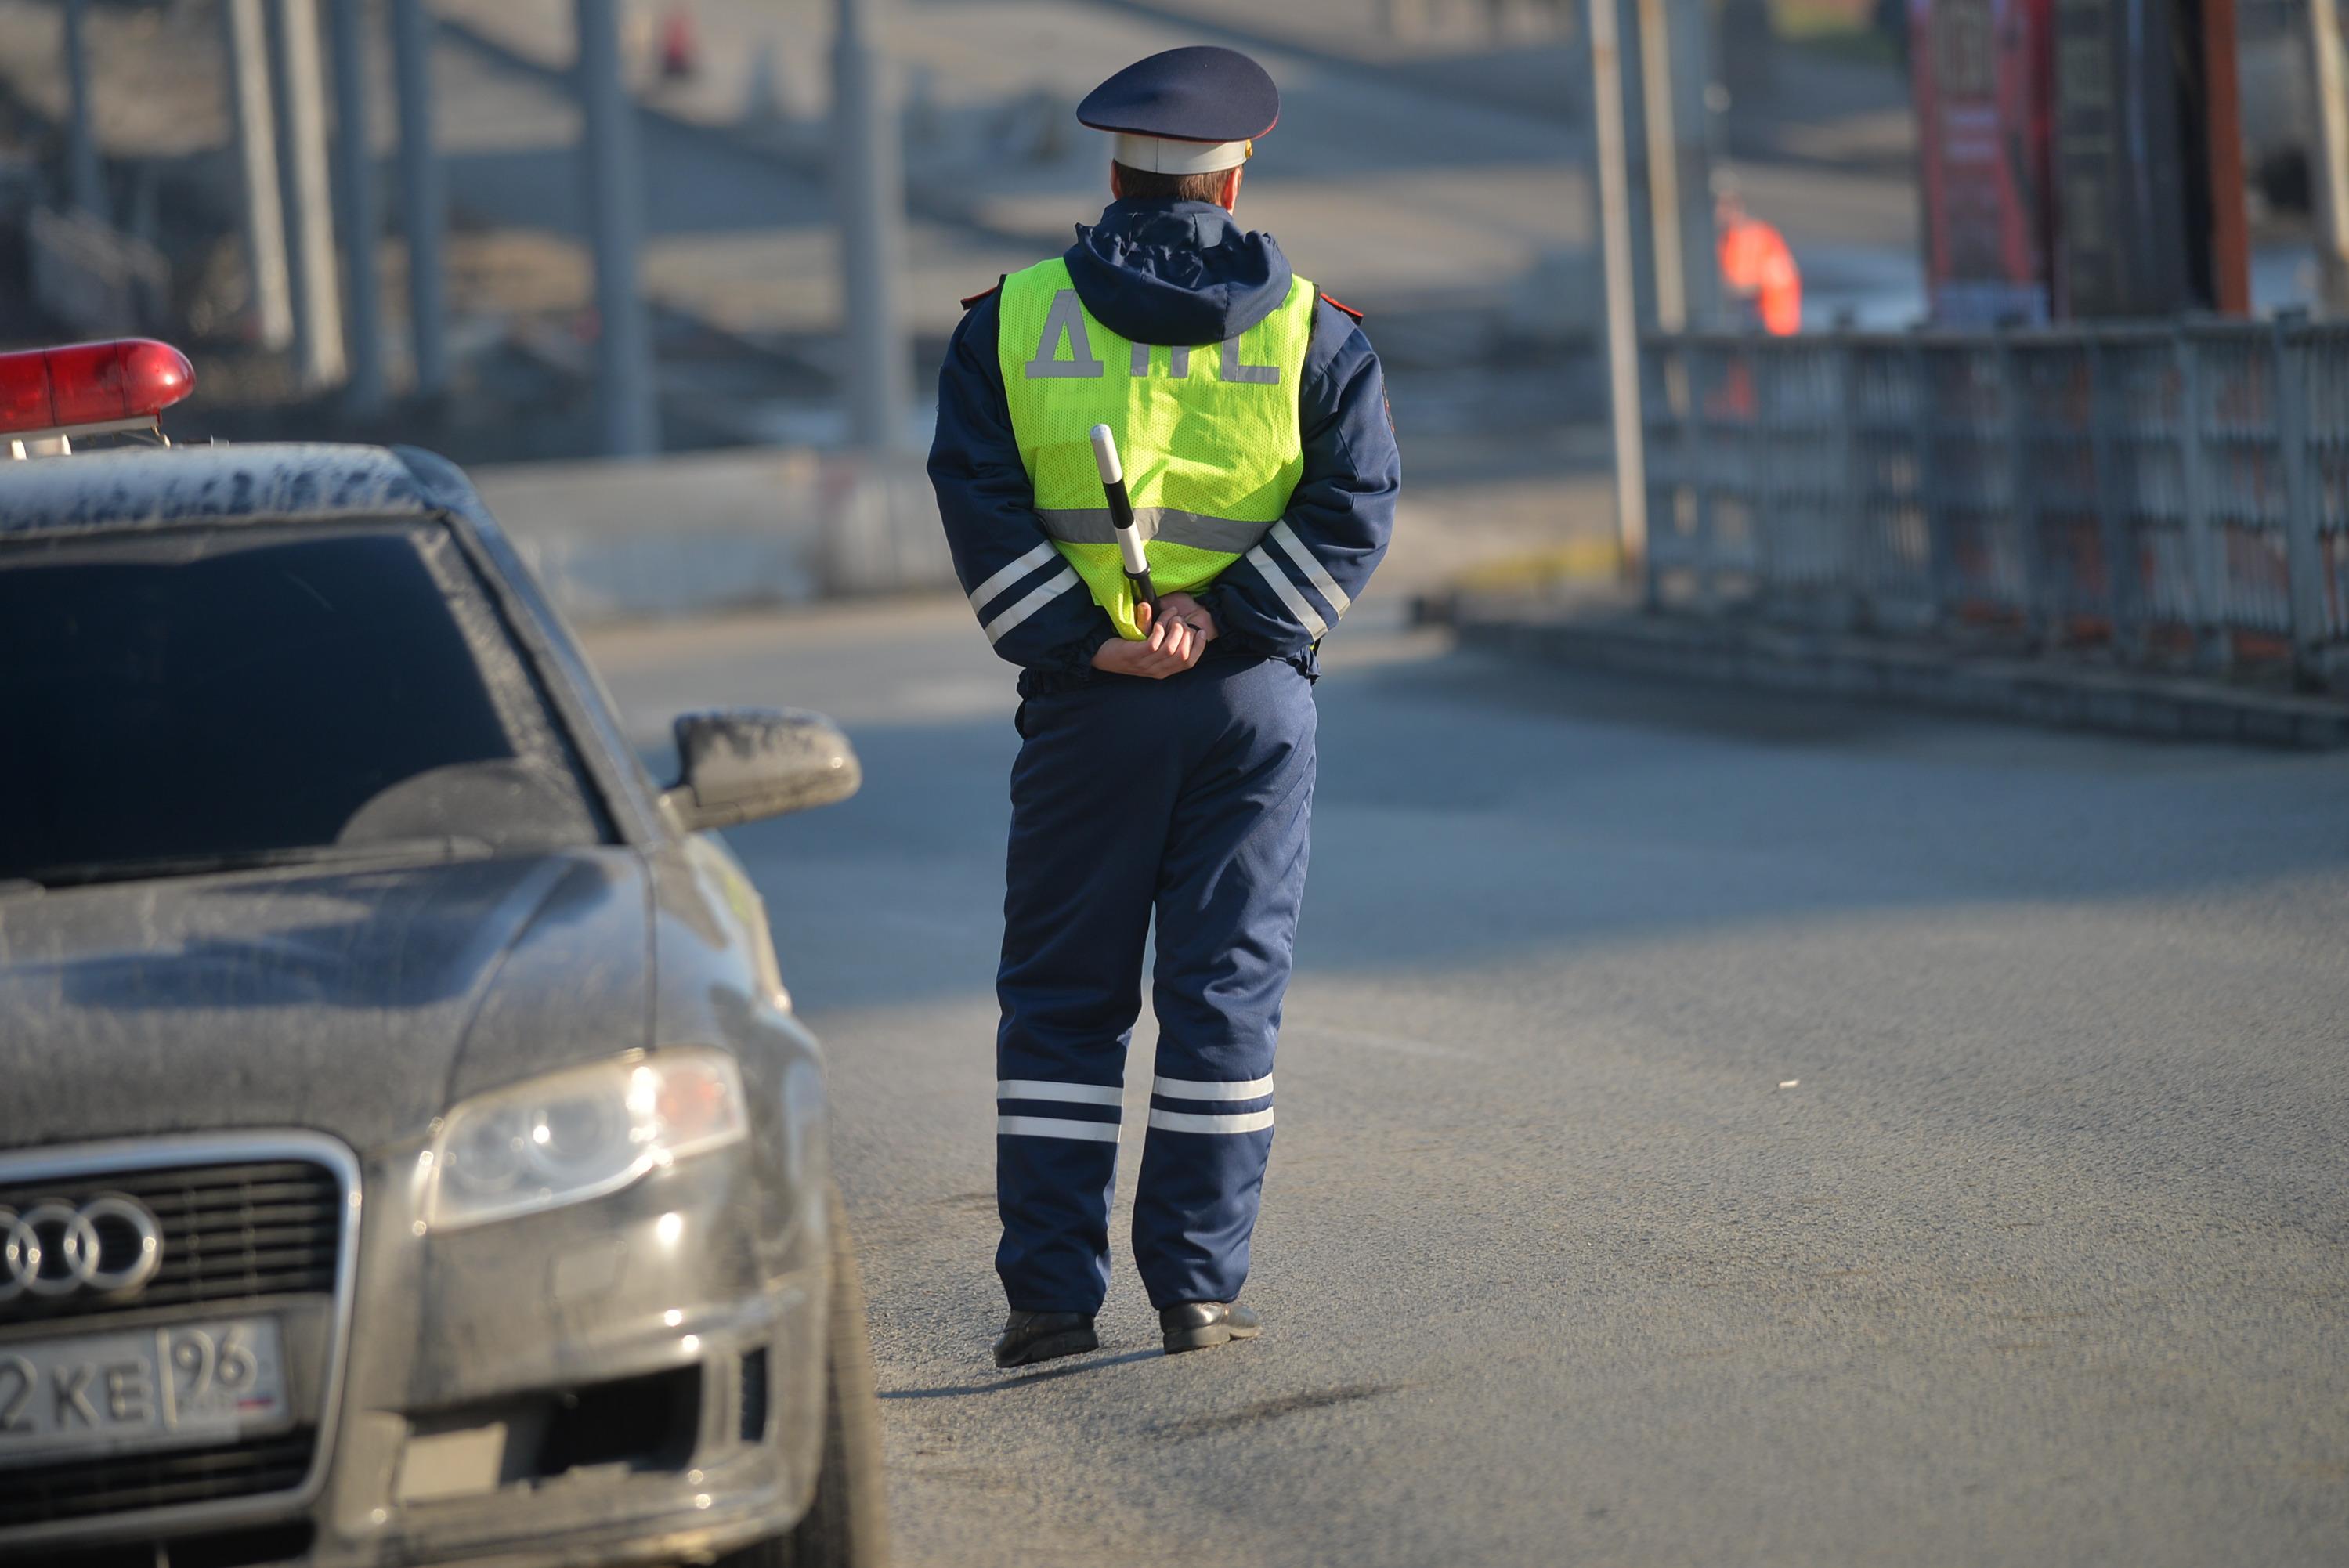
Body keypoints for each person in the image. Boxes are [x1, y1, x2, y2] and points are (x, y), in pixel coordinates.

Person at [927, 45, 1401, 1367]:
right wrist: (1226, 619)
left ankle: (1048, 1303)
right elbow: (1353, 506)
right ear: (1234, 174)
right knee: (1221, 996)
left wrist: (1089, 637)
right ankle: (1194, 1292)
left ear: (1113, 167)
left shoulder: (1007, 322)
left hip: (1089, 709)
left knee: (1064, 1004)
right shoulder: (1317, 331)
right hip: (1250, 708)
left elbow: (978, 503)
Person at [1716, 182, 1803, 337]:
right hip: (1765, 326)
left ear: (1737, 207)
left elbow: (1742, 287)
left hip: (1767, 327)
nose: (1718, 212)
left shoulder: (1753, 238)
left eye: (1724, 206)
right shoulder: (1735, 238)